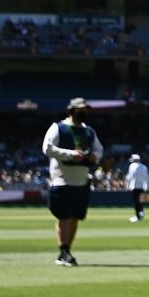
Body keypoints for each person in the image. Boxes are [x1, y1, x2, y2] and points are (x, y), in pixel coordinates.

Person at [43, 97, 102, 265]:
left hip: (82, 181)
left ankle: (67, 249)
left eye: (86, 110)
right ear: (71, 110)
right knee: (64, 216)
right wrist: (70, 154)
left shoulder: (89, 131)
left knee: (75, 217)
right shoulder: (58, 127)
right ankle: (64, 251)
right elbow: (47, 148)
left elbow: (99, 149)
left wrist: (94, 157)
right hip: (62, 180)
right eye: (80, 110)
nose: (84, 113)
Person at [126, 153, 149, 222]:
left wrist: (127, 185)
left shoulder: (132, 166)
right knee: (140, 201)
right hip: (142, 187)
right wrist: (147, 186)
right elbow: (147, 177)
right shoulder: (144, 167)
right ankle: (141, 213)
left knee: (136, 202)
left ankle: (138, 216)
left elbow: (130, 176)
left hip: (134, 187)